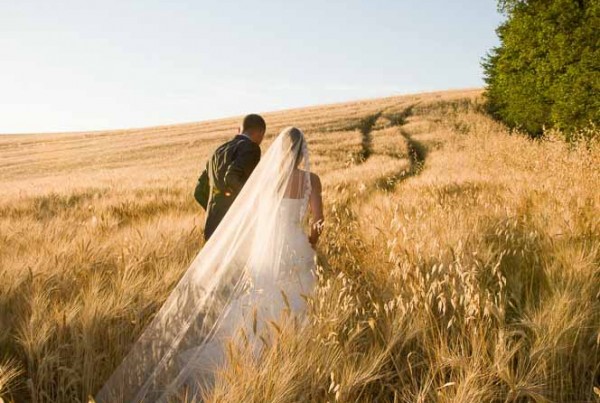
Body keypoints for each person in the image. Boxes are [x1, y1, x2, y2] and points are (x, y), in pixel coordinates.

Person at [96, 127, 324, 403]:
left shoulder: (268, 181)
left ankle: (248, 363)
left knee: (259, 306)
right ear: (303, 152)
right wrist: (310, 243)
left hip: (267, 252)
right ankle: (290, 362)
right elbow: (317, 222)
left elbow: (258, 218)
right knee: (297, 306)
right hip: (297, 248)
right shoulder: (312, 180)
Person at [195, 114, 266, 240]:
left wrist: (216, 208)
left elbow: (199, 191)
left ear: (240, 129)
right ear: (260, 132)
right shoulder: (251, 148)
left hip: (212, 224)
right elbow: (231, 178)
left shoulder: (218, 151)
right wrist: (251, 202)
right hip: (235, 225)